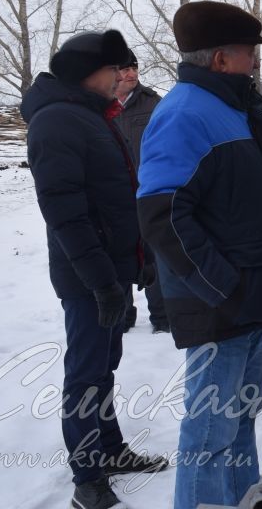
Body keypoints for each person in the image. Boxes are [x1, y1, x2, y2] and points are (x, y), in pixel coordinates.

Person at [136, 1, 262, 509]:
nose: (256, 60)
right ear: (219, 59)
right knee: (209, 432)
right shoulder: (185, 113)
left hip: (244, 296)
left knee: (239, 420)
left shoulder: (225, 107)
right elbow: (162, 213)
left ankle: (240, 501)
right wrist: (223, 286)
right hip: (221, 304)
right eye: (249, 51)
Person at [20, 30, 168, 509]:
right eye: (115, 69)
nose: (122, 77)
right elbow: (66, 212)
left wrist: (136, 260)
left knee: (103, 367)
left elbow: (115, 199)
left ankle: (111, 451)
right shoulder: (58, 122)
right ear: (89, 74)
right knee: (85, 374)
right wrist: (103, 282)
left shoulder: (90, 116)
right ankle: (87, 477)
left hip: (109, 271)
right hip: (88, 278)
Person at [106, 49, 169, 333]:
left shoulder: (154, 103)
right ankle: (124, 315)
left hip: (149, 192)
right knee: (116, 253)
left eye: (134, 67)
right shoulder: (100, 107)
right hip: (113, 196)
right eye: (124, 68)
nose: (131, 73)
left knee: (154, 253)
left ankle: (162, 317)